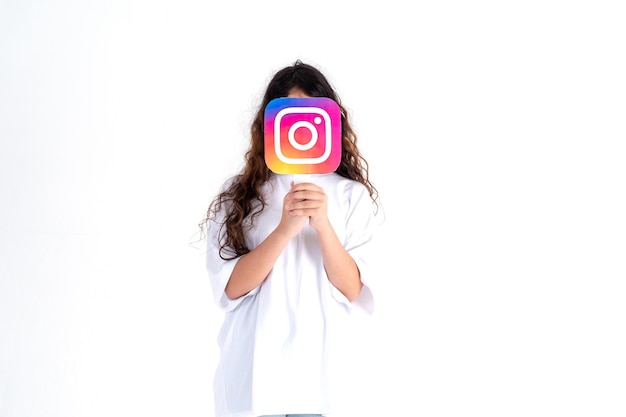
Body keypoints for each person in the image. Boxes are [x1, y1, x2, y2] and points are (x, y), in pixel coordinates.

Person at [200, 60, 381, 417]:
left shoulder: (351, 196)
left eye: (311, 115)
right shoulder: (241, 196)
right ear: (268, 127)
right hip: (255, 373)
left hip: (324, 377)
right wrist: (284, 229)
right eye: (289, 116)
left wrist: (324, 225)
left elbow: (355, 290)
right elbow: (230, 288)